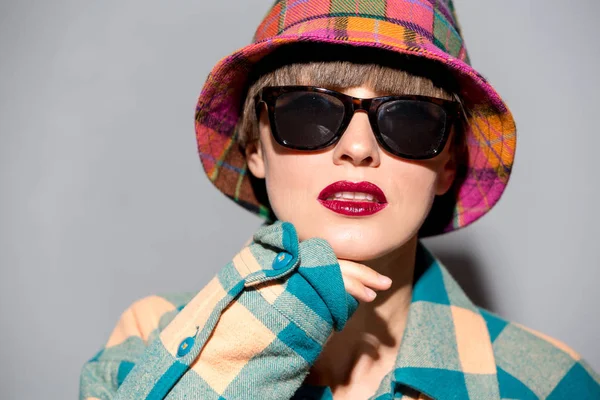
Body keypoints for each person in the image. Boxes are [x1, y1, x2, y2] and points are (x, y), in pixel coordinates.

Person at [79, 1, 600, 399]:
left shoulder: (550, 383)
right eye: (309, 112)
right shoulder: (153, 338)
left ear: (448, 165)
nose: (357, 148)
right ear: (254, 147)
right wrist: (275, 321)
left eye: (411, 120)